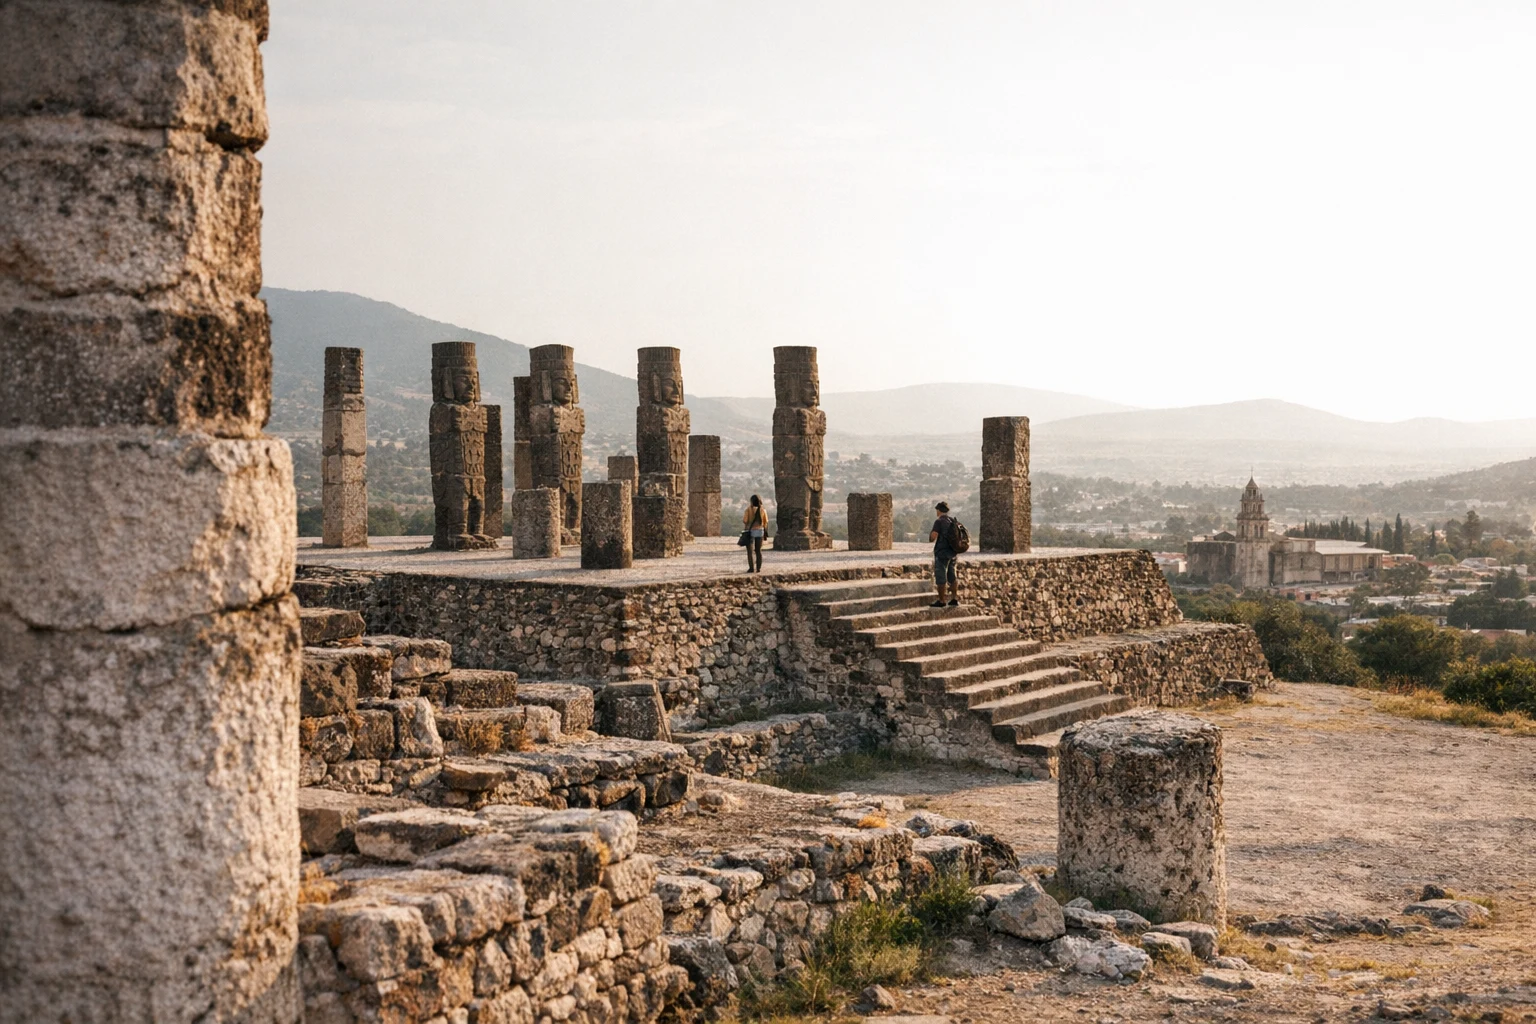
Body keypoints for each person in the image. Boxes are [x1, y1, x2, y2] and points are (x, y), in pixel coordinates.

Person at [929, 501, 960, 607]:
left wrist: (930, 537)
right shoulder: (952, 521)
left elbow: (933, 537)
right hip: (953, 552)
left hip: (942, 553)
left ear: (938, 510)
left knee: (941, 577)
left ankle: (941, 600)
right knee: (953, 576)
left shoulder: (939, 521)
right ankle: (954, 598)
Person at [742, 494, 767, 573]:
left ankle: (751, 568)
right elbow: (765, 521)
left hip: (750, 531)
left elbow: (745, 520)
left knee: (750, 551)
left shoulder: (748, 510)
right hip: (760, 531)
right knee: (758, 551)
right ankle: (758, 568)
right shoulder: (762, 510)